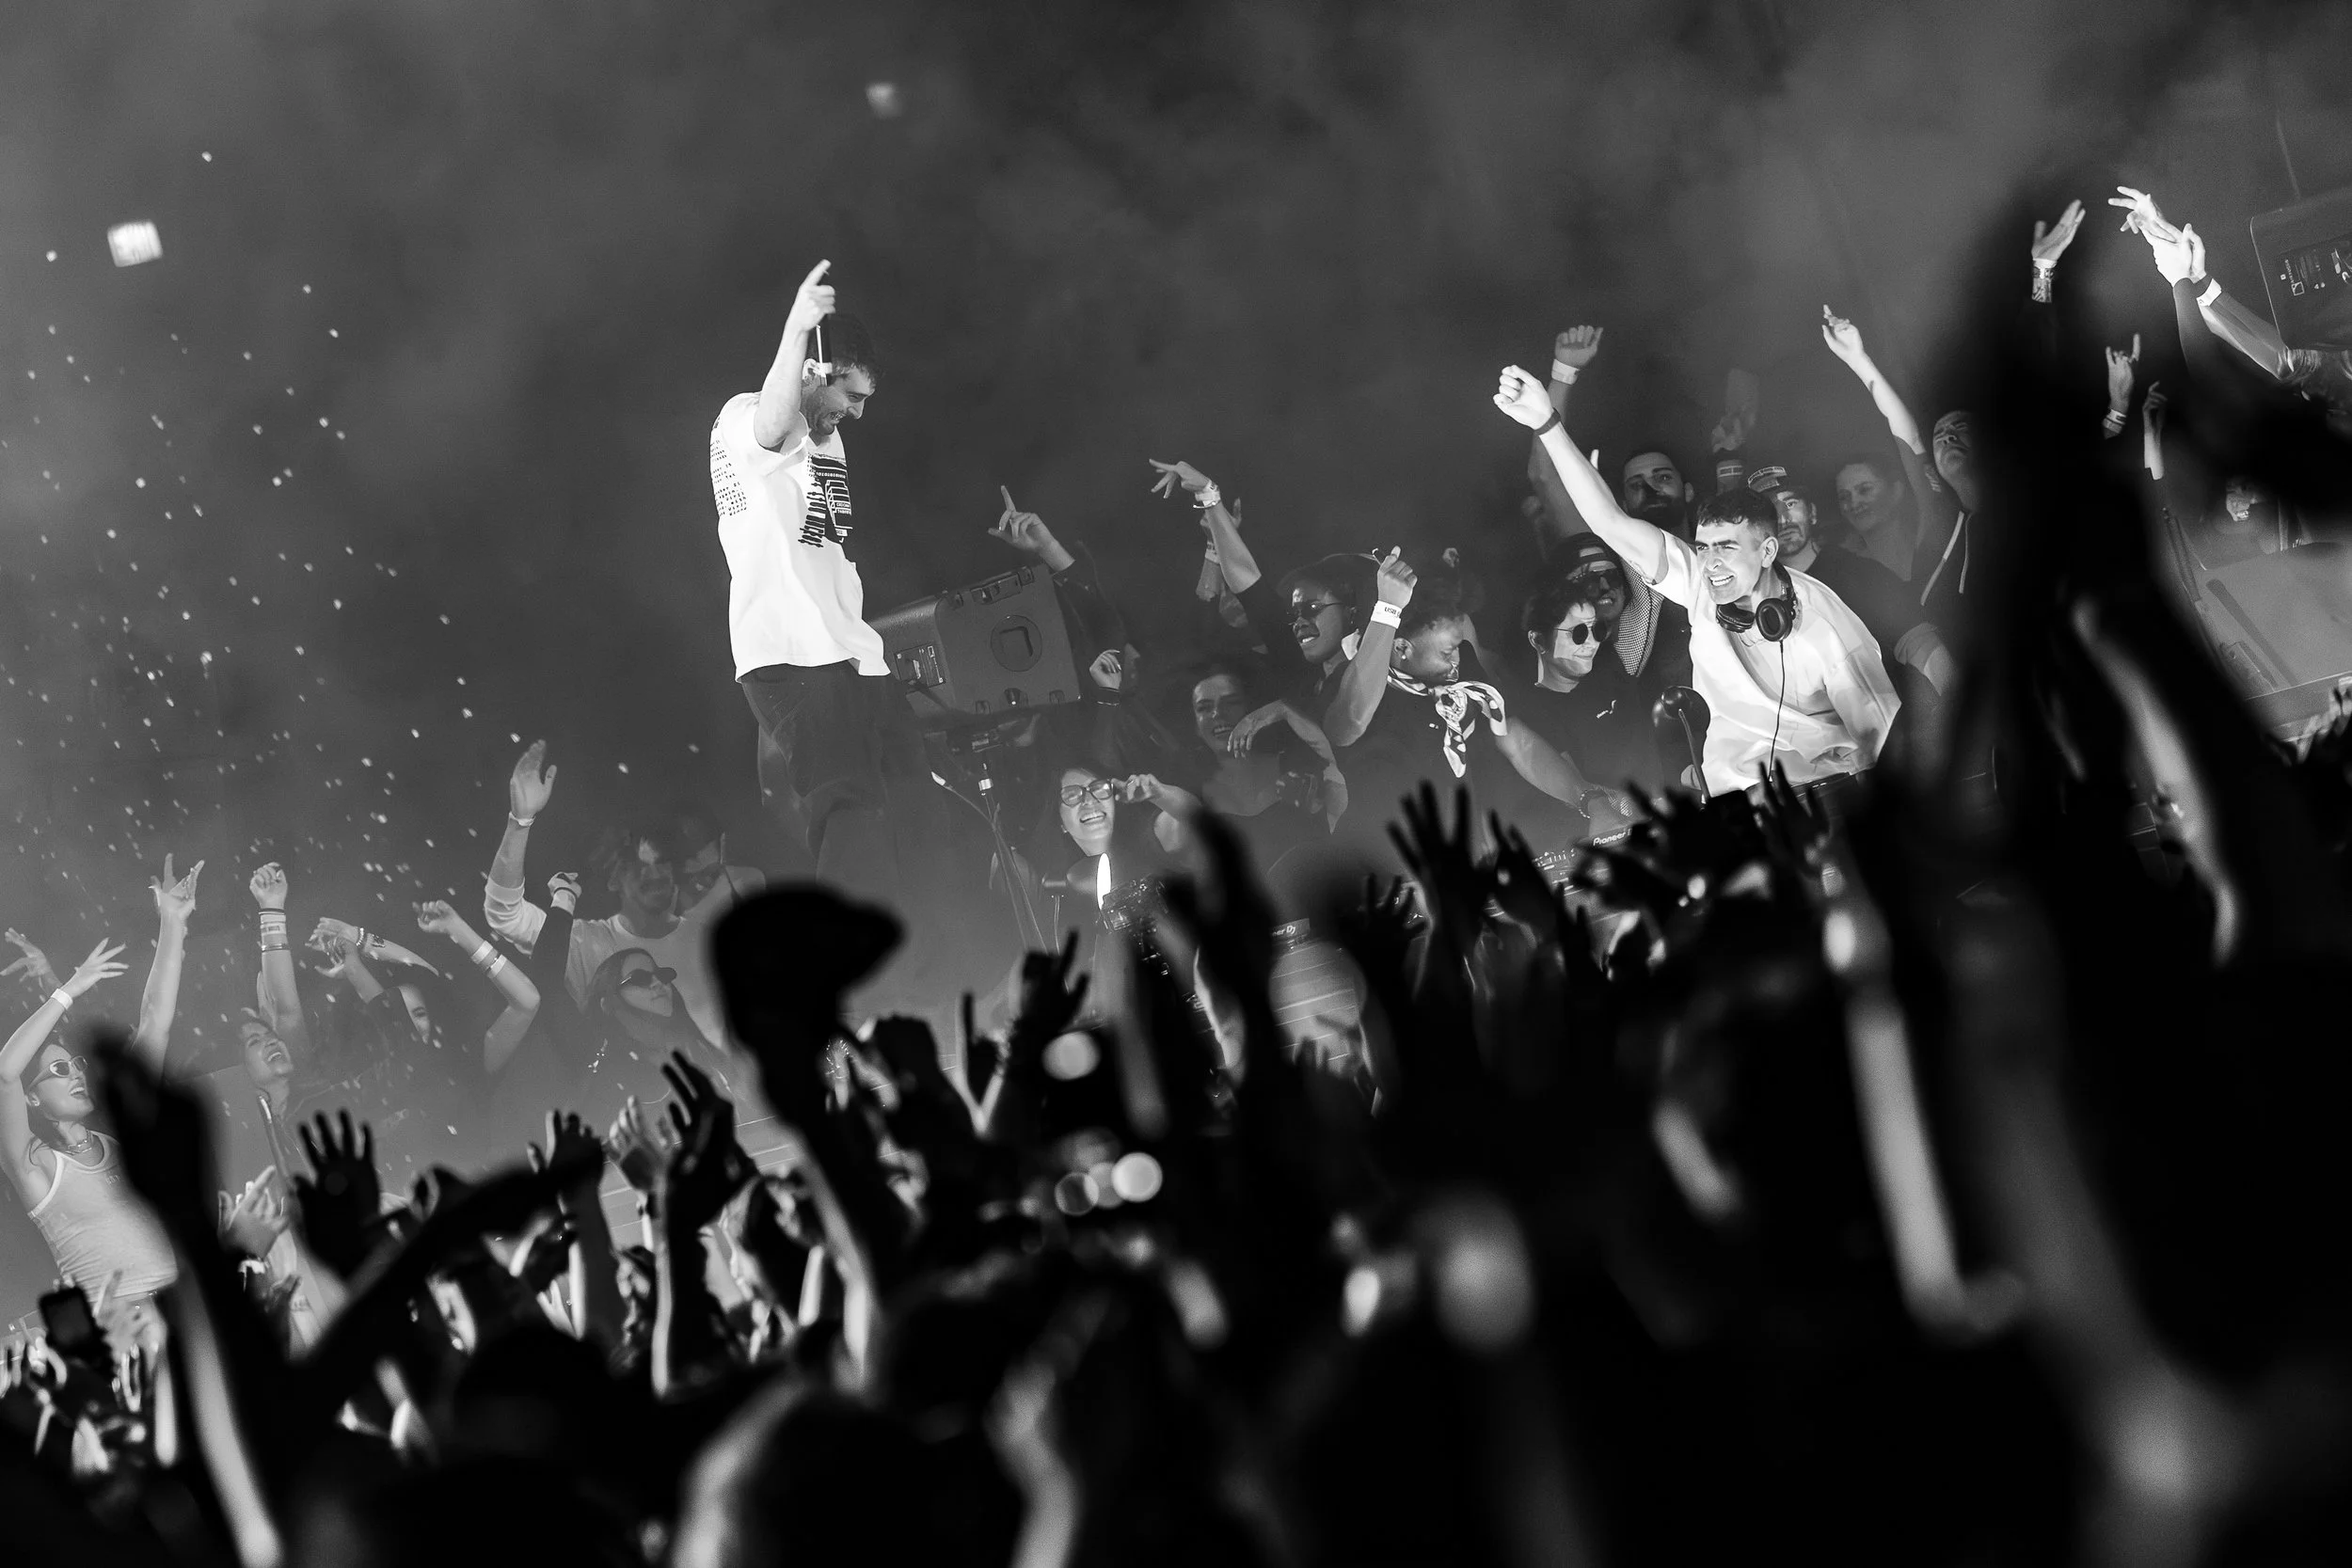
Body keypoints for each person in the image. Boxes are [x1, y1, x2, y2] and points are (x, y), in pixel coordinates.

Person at [1499, 365, 1899, 796]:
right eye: (1705, 547)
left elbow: (1884, 742)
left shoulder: (1825, 627)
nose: (1711, 562)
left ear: (1767, 551)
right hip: (1733, 806)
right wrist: (1547, 423)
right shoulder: (1699, 585)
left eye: (1726, 547)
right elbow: (1608, 523)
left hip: (1823, 796)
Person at [710, 259, 940, 920]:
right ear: (816, 374)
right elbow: (777, 414)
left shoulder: (825, 440)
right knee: (853, 819)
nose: (858, 414)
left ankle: (925, 973)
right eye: (852, 397)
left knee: (915, 814)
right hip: (790, 654)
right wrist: (796, 329)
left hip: (852, 655)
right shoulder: (752, 418)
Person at [1, 858, 201, 1353]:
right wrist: (67, 991)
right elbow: (3, 1071)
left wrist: (172, 925)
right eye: (58, 1071)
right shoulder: (37, 1168)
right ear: (32, 1098)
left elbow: (155, 1023)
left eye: (75, 1066)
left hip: (186, 1311)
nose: (75, 1076)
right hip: (123, 1337)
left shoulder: (119, 1133)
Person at [1327, 571, 1624, 851]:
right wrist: (1387, 608)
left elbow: (1518, 744)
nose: (1457, 659)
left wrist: (1590, 800)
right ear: (1403, 649)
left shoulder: (1462, 669)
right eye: (1447, 652)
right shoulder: (1349, 687)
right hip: (1381, 877)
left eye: (1458, 647)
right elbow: (1348, 725)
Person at [483, 742, 735, 1047]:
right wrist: (519, 823)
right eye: (639, 866)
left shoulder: (712, 942)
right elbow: (503, 912)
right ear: (614, 879)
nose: (654, 874)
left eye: (661, 861)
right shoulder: (583, 943)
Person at [1762, 478, 1955, 700]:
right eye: (1769, 511)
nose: (1783, 519)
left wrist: (1956, 702)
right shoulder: (1752, 596)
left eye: (1790, 504)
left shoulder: (1858, 574)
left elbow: (1918, 641)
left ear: (1812, 513)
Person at [1186, 659, 1348, 879]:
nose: (1217, 714)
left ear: (1251, 708)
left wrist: (1280, 710)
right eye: (1204, 708)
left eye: (1231, 702)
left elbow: (1330, 764)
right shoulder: (1193, 801)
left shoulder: (1298, 763)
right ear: (1194, 725)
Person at [1511, 577, 1670, 799]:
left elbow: (1651, 595)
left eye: (1596, 630)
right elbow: (1573, 788)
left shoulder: (1611, 664)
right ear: (1538, 640)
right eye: (1577, 633)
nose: (1592, 643)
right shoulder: (1536, 713)